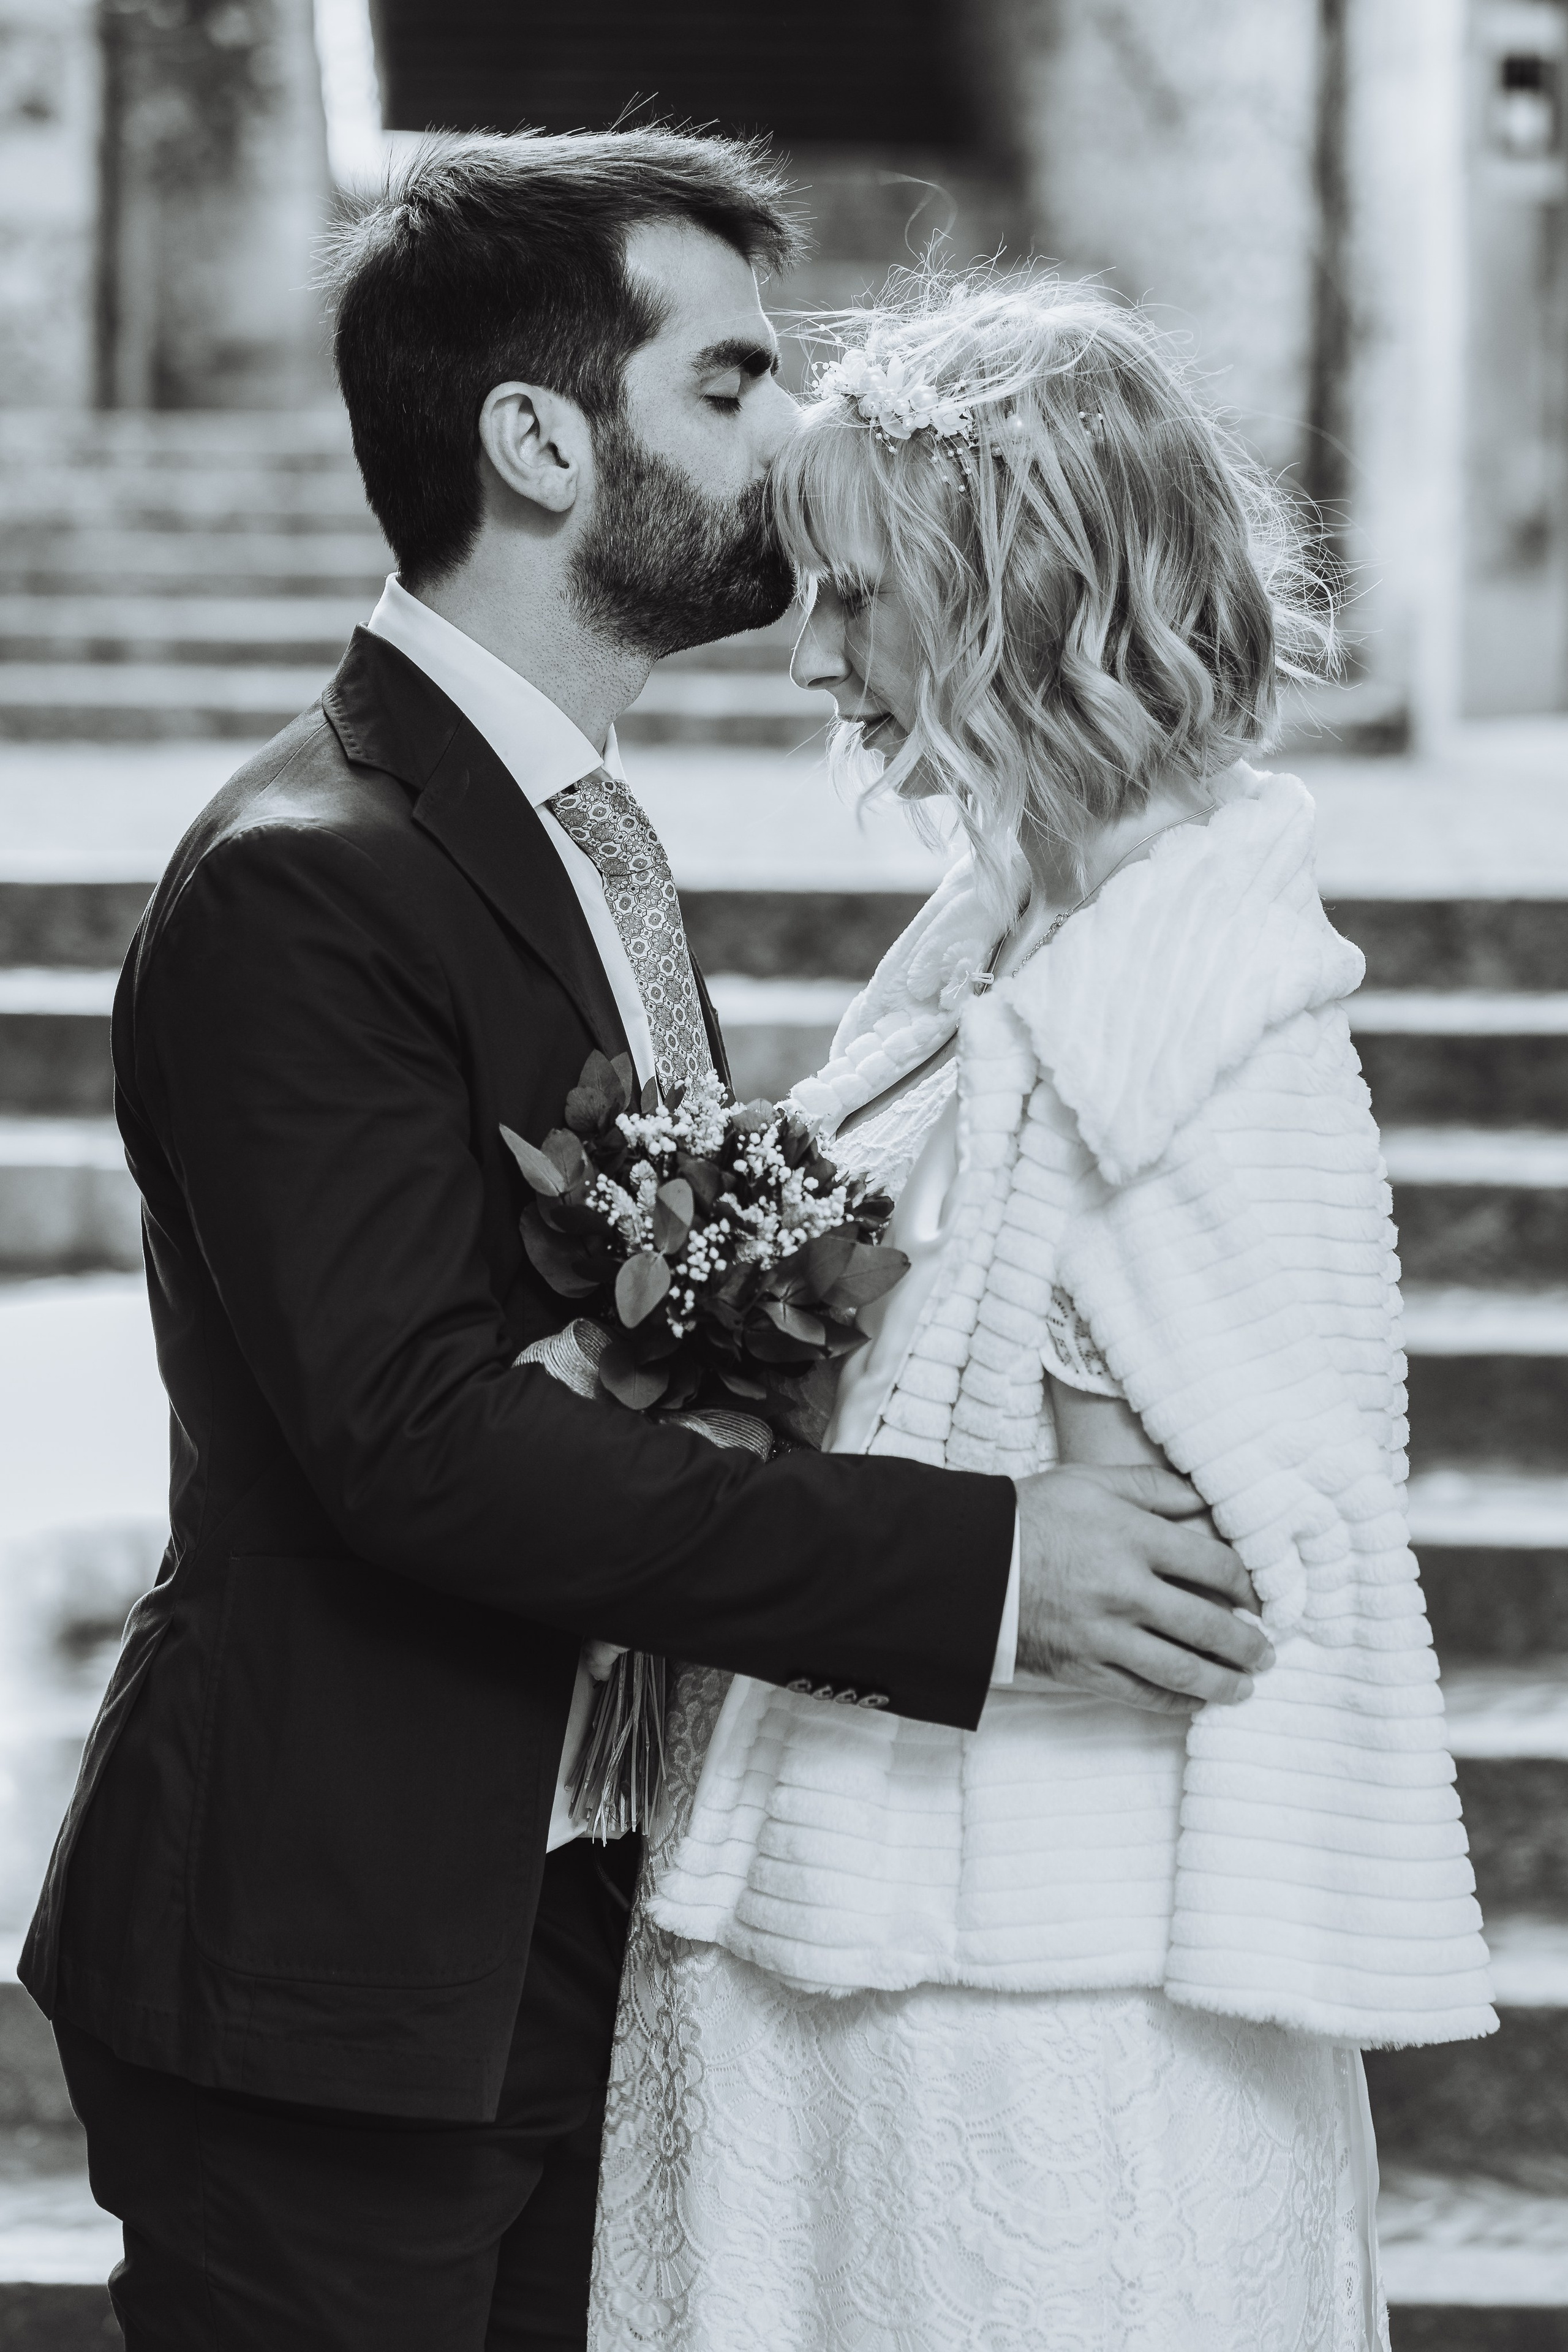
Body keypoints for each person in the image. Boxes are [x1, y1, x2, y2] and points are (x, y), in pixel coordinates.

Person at [17, 137, 1268, 2351]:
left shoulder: (582, 827)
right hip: (330, 1963)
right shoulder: (305, 878)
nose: (797, 440)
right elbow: (421, 1446)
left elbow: (637, 1344)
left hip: (564, 1927)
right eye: (729, 383)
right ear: (537, 442)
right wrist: (989, 1567)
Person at [589, 275, 1498, 2351]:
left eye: (854, 595)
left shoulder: (1208, 1023)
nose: (806, 648)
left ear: (1027, 593)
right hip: (857, 1926)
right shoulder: (994, 953)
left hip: (1032, 1980)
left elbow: (1219, 1572)